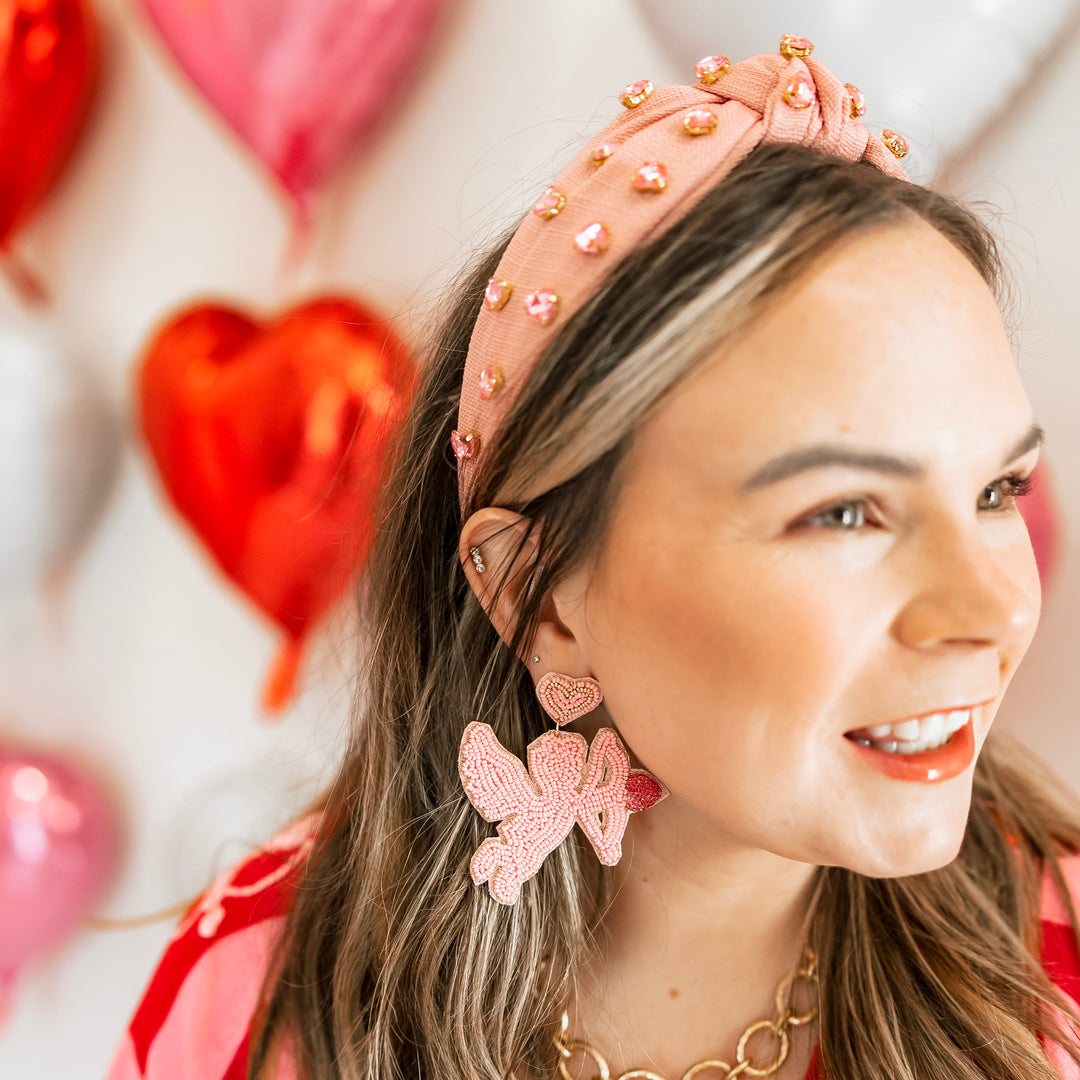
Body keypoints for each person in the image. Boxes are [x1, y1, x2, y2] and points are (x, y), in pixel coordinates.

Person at [105, 38, 1080, 1080]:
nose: (990, 608)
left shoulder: (1052, 983)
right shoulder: (262, 999)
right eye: (844, 514)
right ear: (539, 594)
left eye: (995, 492)